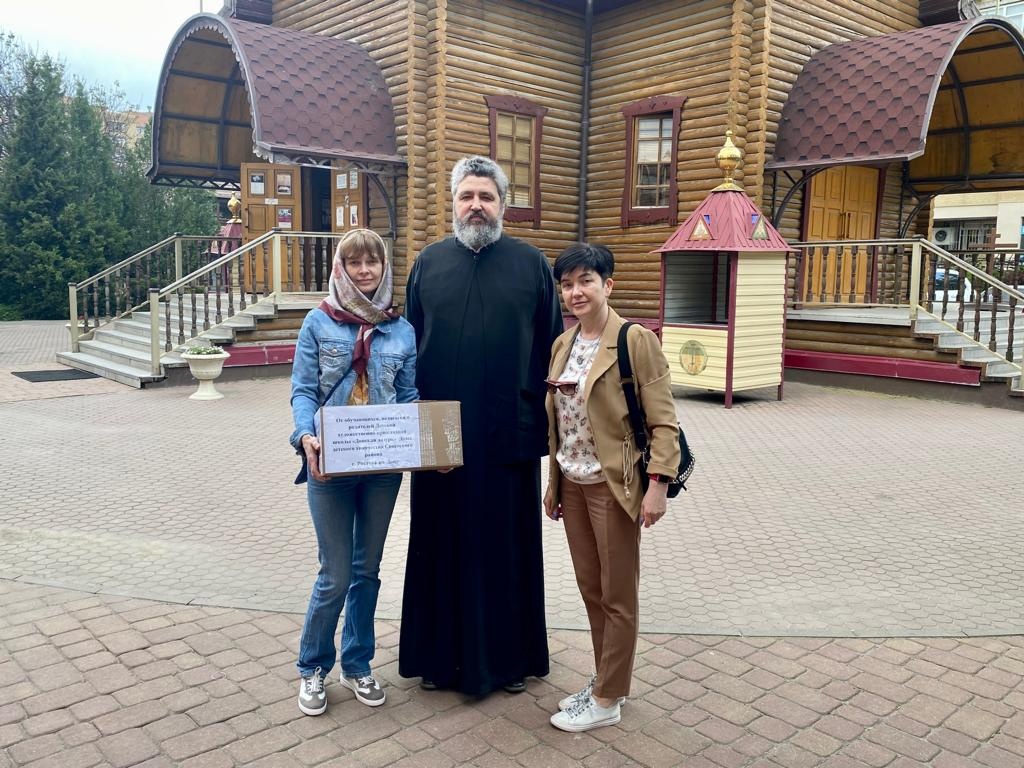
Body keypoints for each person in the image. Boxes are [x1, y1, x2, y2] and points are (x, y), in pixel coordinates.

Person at [398, 155, 563, 696]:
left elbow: (551, 352)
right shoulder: (427, 264)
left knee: (504, 548)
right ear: (453, 203)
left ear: (502, 205)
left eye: (486, 197)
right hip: (440, 436)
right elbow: (407, 350)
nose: (476, 206)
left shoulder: (531, 265)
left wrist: (546, 429)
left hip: (506, 435)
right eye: (467, 196)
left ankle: (509, 662)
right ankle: (438, 659)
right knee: (439, 543)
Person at [543, 243, 680, 732]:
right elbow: (561, 422)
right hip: (572, 484)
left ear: (608, 285)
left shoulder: (634, 340)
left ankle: (607, 699)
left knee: (618, 594)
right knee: (591, 589)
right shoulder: (564, 344)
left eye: (586, 280)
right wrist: (553, 483)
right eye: (567, 284)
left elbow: (663, 421)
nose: (575, 292)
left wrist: (657, 486)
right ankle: (605, 680)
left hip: (613, 485)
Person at [289, 229, 418, 716]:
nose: (365, 271)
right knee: (335, 574)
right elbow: (303, 390)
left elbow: (408, 396)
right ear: (340, 268)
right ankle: (312, 666)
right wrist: (305, 436)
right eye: (354, 262)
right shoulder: (318, 322)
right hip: (330, 466)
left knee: (367, 571)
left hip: (382, 468)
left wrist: (428, 441)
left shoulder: (400, 330)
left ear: (385, 267)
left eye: (372, 262)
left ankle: (358, 663)